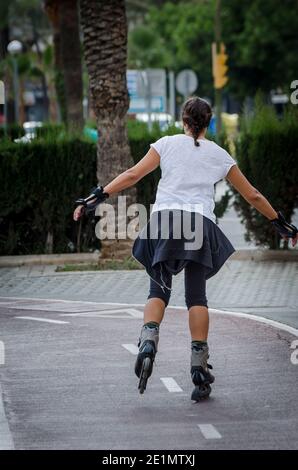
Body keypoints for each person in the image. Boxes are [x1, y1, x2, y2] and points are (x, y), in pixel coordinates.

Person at [73, 96, 298, 401]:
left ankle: (149, 339)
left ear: (183, 120)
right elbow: (254, 195)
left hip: (164, 222)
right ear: (209, 123)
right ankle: (198, 368)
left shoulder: (166, 144)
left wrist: (95, 197)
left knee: (158, 291)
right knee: (196, 296)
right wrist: (281, 224)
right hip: (199, 224)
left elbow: (133, 175)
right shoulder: (220, 155)